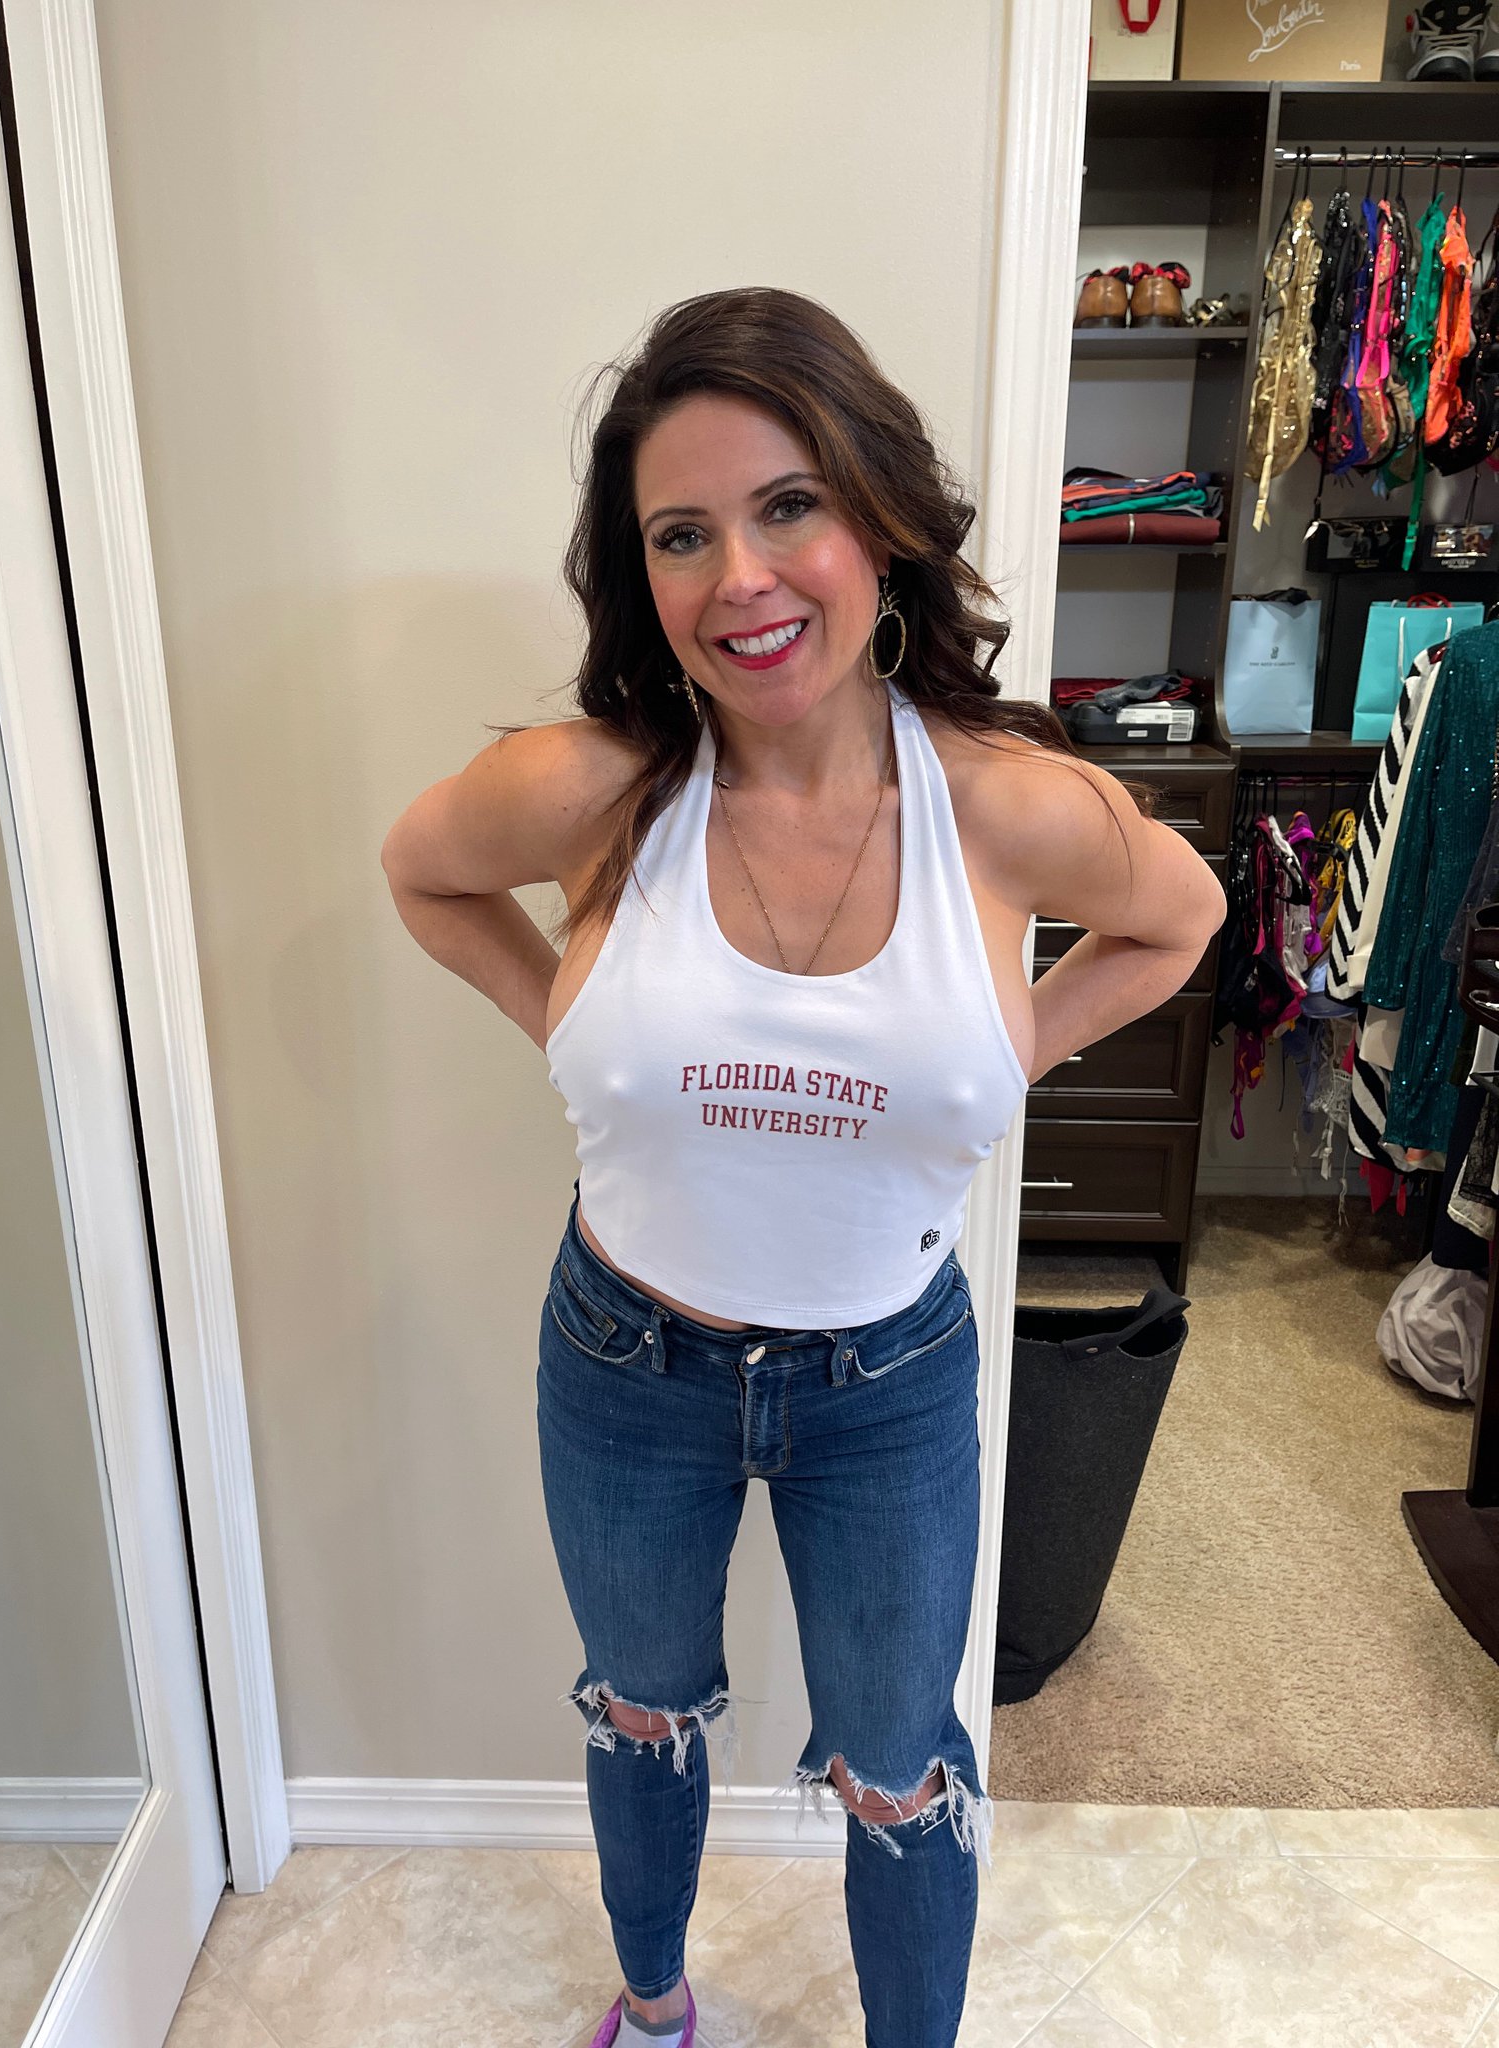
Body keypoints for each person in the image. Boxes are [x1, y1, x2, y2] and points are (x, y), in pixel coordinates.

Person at [380, 286, 1227, 2048]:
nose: (740, 578)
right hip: (626, 1362)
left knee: (904, 1765)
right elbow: (420, 870)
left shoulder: (1002, 802)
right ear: (640, 575)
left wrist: (1011, 1045)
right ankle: (655, 2006)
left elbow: (1187, 915)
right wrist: (562, 1019)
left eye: (789, 507)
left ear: (880, 520)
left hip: (887, 1384)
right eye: (681, 533)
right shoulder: (598, 788)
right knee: (640, 1709)